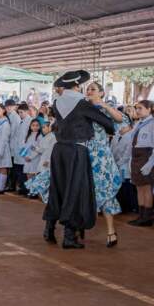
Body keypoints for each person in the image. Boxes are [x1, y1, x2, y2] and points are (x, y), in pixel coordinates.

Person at [43, 70, 114, 249]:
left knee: (57, 188)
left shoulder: (57, 102)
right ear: (77, 86)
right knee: (74, 190)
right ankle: (69, 237)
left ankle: (49, 228)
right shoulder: (82, 104)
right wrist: (100, 106)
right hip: (76, 150)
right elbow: (109, 124)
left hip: (58, 150)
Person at [84, 81, 126, 248]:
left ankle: (111, 231)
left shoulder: (105, 107)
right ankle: (78, 226)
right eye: (87, 89)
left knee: (106, 191)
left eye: (93, 89)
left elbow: (120, 119)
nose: (89, 91)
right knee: (83, 190)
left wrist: (103, 105)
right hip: (85, 152)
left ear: (101, 93)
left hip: (102, 156)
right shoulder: (82, 107)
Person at [128, 100, 154, 227]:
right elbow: (131, 143)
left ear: (149, 110)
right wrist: (130, 160)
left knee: (147, 188)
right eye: (136, 108)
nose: (137, 111)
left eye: (140, 108)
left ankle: (147, 217)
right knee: (139, 187)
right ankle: (141, 215)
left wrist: (151, 164)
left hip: (147, 157)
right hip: (136, 157)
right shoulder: (138, 123)